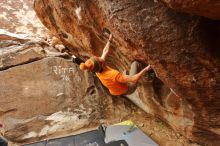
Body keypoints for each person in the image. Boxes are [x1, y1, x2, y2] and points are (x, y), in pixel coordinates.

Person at [79, 34, 152, 96]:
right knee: (135, 64)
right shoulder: (113, 75)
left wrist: (109, 40)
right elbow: (133, 79)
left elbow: (105, 52)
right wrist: (145, 70)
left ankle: (129, 79)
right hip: (128, 89)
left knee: (125, 72)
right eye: (98, 58)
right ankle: (148, 76)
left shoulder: (97, 70)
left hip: (116, 91)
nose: (99, 57)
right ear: (100, 63)